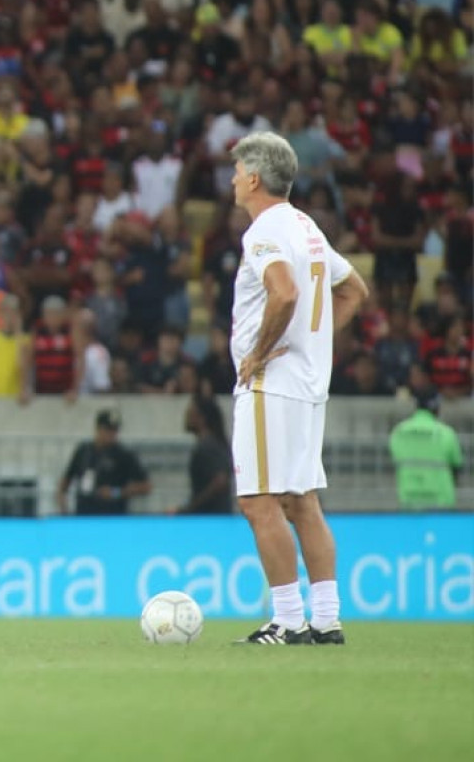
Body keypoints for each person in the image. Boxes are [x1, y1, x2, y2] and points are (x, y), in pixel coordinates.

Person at [226, 132, 370, 645]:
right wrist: (315, 340)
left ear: (255, 178)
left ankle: (287, 620)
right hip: (309, 385)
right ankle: (326, 621)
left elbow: (283, 291)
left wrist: (259, 353)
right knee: (300, 500)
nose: (232, 178)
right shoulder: (307, 227)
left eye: (238, 169)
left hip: (272, 386)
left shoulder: (264, 231)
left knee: (258, 501)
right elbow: (354, 288)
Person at [56, 409, 151, 515]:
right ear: (98, 429)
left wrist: (117, 492)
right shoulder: (83, 451)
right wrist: (62, 501)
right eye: (108, 430)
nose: (112, 434)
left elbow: (145, 486)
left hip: (113, 514)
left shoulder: (124, 455)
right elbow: (67, 478)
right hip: (84, 512)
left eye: (115, 430)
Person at [389, 386, 463, 511]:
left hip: (409, 499)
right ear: (437, 407)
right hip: (441, 500)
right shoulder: (446, 433)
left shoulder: (398, 432)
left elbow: (395, 460)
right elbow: (456, 466)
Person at [172, 393, 232, 515]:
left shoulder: (207, 447)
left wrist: (190, 508)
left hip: (212, 518)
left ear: (201, 418)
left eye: (190, 412)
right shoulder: (215, 444)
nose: (186, 416)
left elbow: (220, 481)